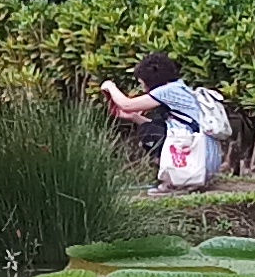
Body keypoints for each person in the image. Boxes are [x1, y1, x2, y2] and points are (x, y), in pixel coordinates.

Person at [99, 47, 232, 189]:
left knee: (148, 132)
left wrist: (110, 86)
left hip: (197, 157)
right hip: (204, 157)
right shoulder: (178, 87)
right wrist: (132, 117)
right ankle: (176, 179)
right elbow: (167, 127)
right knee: (153, 126)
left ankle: (174, 181)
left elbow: (127, 104)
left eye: (141, 82)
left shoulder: (167, 91)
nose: (142, 87)